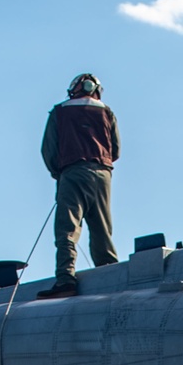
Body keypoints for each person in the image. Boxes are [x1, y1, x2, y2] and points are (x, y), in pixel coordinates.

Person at [39, 72, 120, 296]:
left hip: (73, 173)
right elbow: (116, 149)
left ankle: (66, 280)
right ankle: (111, 275)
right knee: (102, 229)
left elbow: (48, 150)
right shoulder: (107, 112)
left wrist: (60, 173)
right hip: (103, 174)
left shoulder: (60, 111)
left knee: (67, 229)